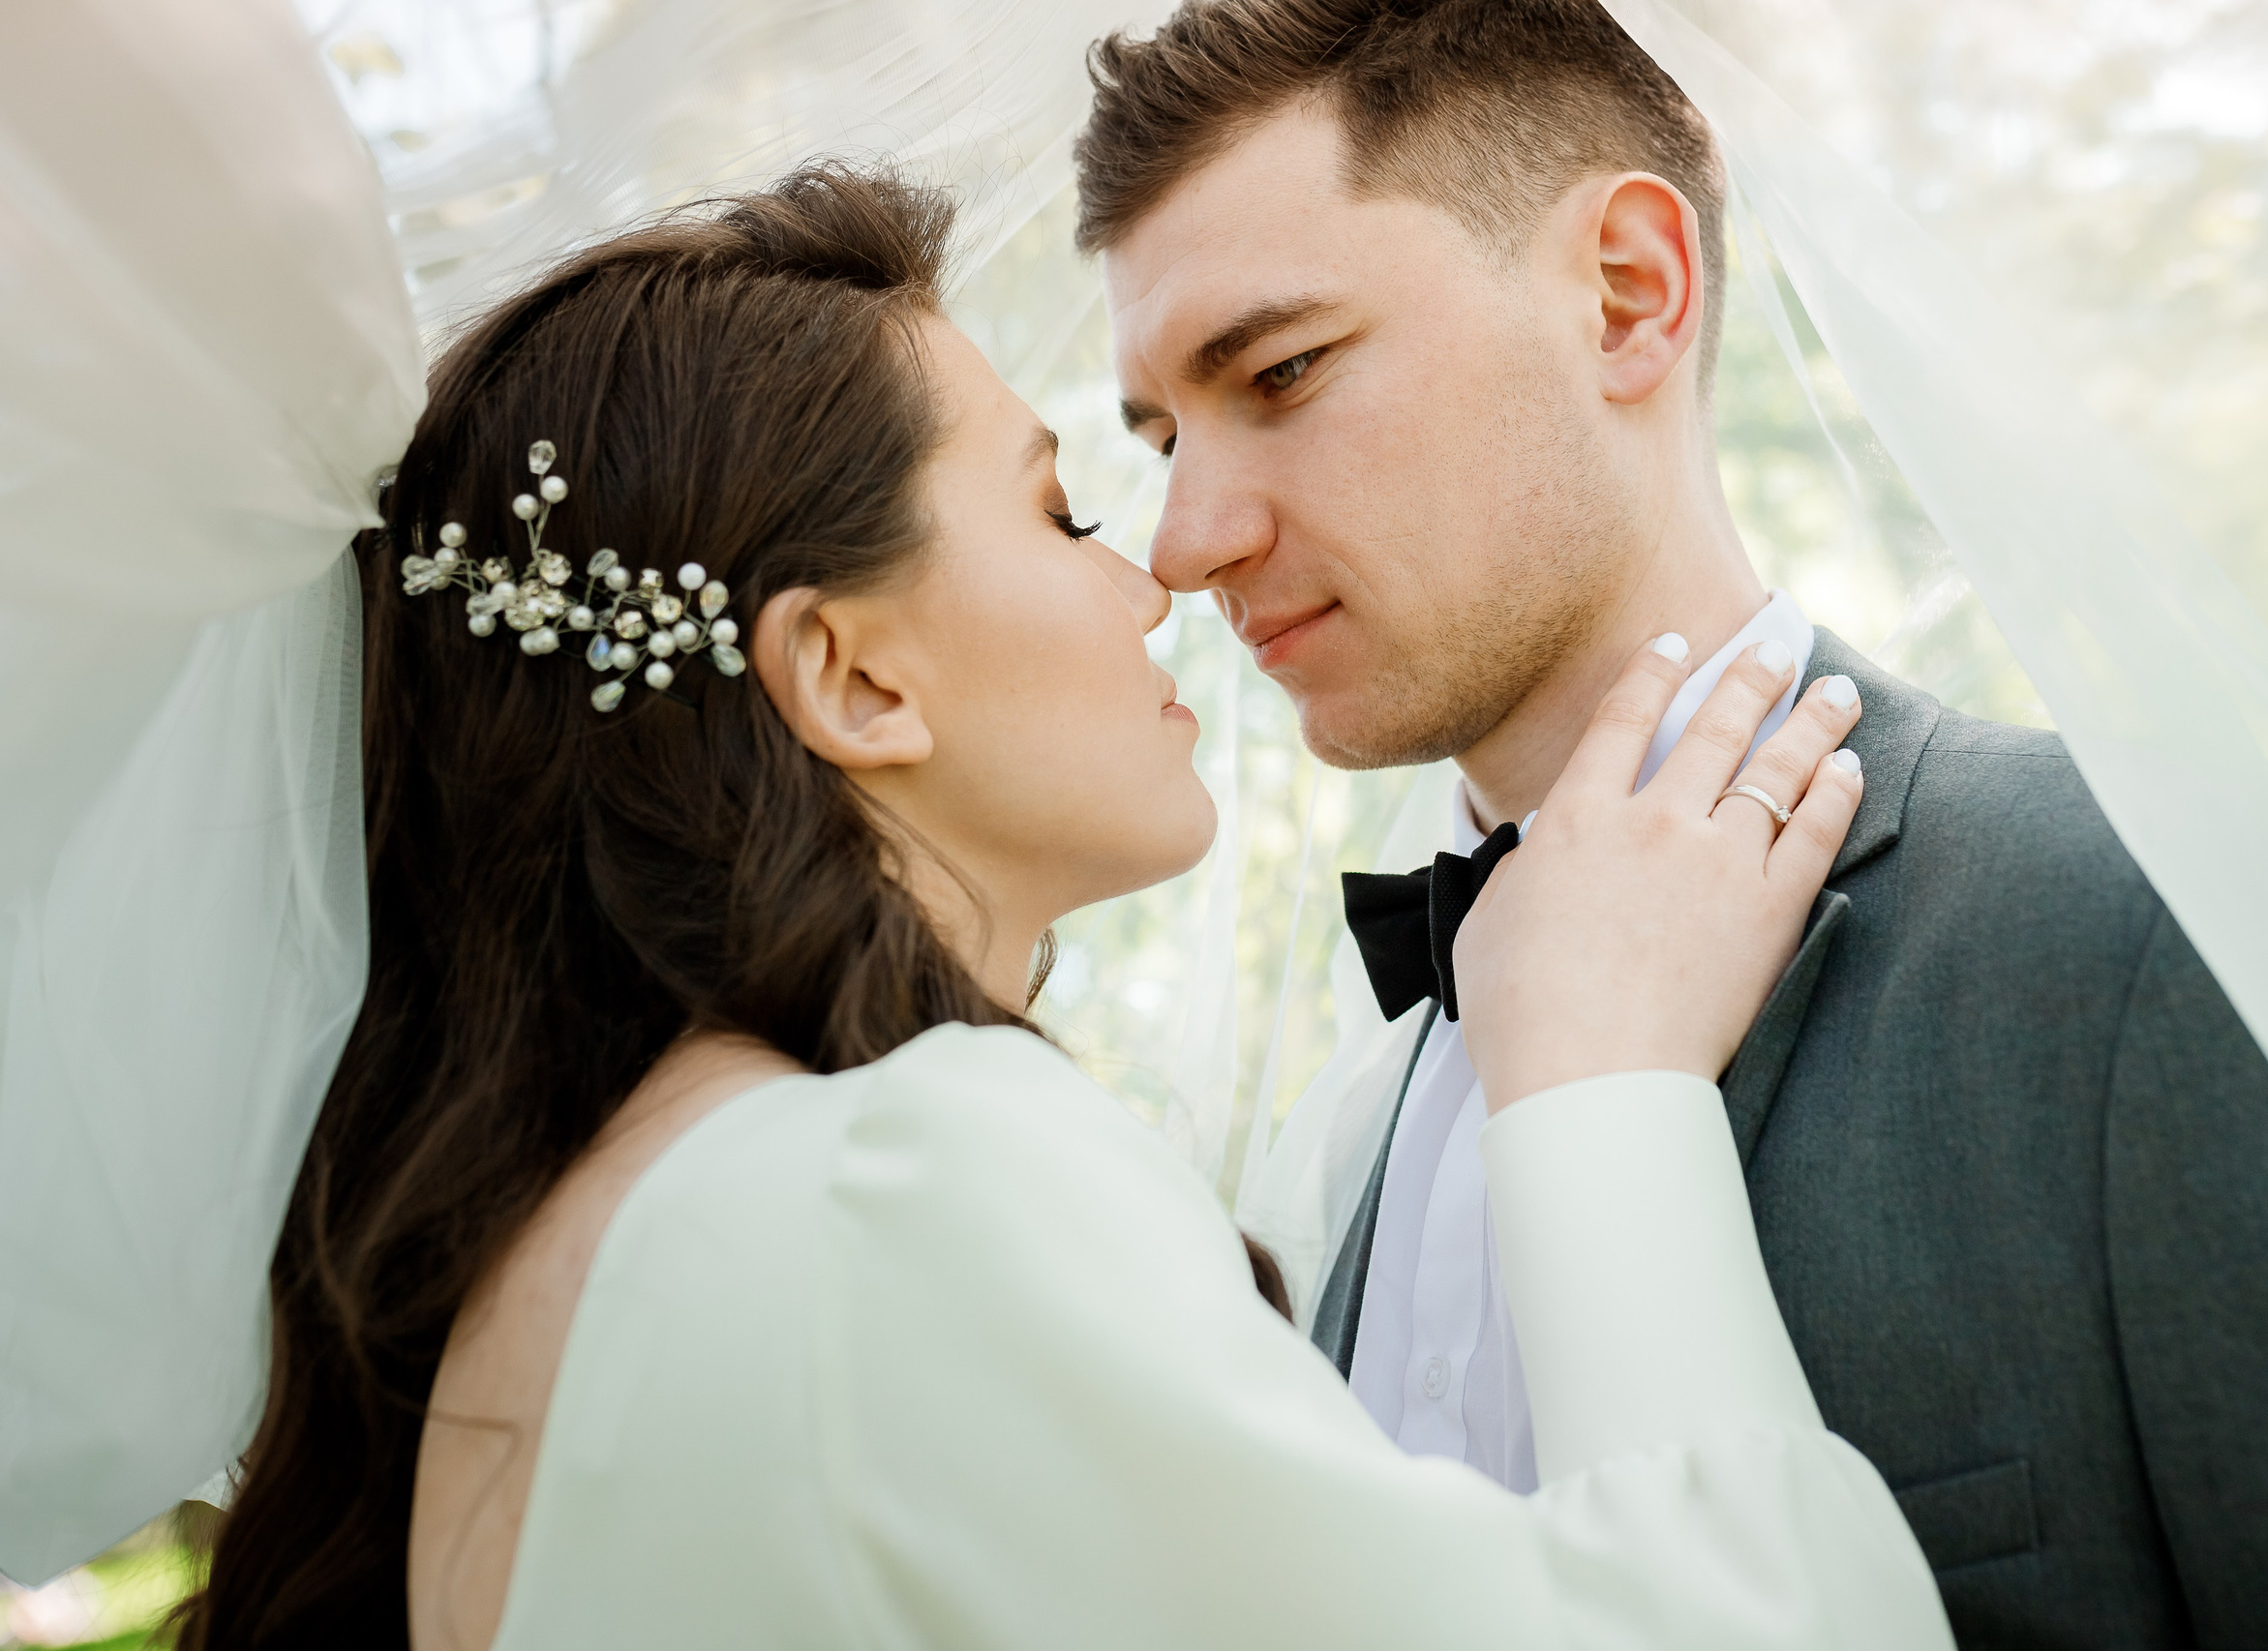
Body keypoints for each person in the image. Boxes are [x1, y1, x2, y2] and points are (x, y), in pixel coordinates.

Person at [118, 156, 1958, 1649]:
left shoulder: (555, 1272)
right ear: (852, 677)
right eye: (1065, 511)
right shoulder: (893, 1183)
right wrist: (1607, 1087)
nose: (1161, 574)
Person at [1072, 2, 2268, 1647]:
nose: (1183, 540)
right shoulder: (1346, 1135)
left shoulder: (2172, 929)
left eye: (1283, 371)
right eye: (1162, 436)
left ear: (1628, 294)